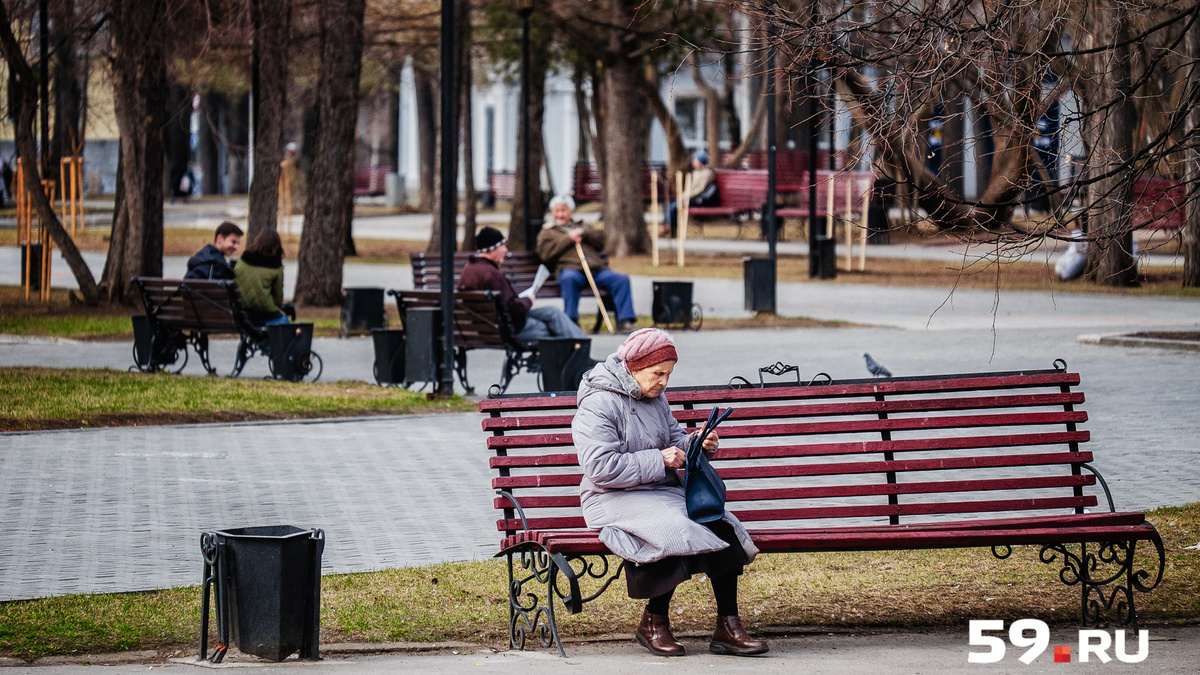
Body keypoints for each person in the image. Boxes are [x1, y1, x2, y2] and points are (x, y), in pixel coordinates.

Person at [572, 328, 768, 658]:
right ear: (633, 367)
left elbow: (674, 440)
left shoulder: (654, 398)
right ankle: (654, 623)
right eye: (658, 373)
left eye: (668, 374)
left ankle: (728, 625)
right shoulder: (599, 402)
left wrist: (697, 444)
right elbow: (599, 467)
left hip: (657, 491)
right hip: (611, 497)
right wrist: (657, 459)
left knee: (719, 523)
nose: (664, 382)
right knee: (675, 528)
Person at [457, 226, 587, 344]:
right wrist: (527, 300)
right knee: (547, 327)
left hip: (489, 324)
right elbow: (514, 309)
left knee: (552, 312)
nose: (506, 250)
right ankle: (582, 352)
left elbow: (505, 304)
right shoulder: (491, 274)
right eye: (502, 245)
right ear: (493, 249)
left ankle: (581, 348)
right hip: (508, 328)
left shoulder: (470, 269)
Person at [535, 195, 637, 332]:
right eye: (557, 211)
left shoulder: (583, 226)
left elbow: (601, 241)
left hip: (596, 270)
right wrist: (568, 238)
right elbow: (545, 255)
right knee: (568, 279)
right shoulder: (547, 232)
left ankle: (625, 320)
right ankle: (571, 321)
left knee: (621, 280)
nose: (560, 214)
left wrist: (584, 232)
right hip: (571, 270)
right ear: (552, 212)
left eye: (563, 210)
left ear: (571, 212)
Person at [233, 228, 291, 326]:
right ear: (277, 246)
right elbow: (278, 300)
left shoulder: (243, 260)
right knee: (285, 321)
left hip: (242, 314)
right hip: (265, 314)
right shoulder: (275, 266)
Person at [665, 150, 718, 237]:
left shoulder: (707, 173)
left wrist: (686, 196)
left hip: (697, 200)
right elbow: (690, 188)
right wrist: (684, 194)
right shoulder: (696, 172)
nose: (693, 162)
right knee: (669, 205)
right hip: (690, 197)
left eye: (695, 160)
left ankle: (672, 230)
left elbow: (699, 189)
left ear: (700, 161)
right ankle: (667, 227)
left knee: (674, 207)